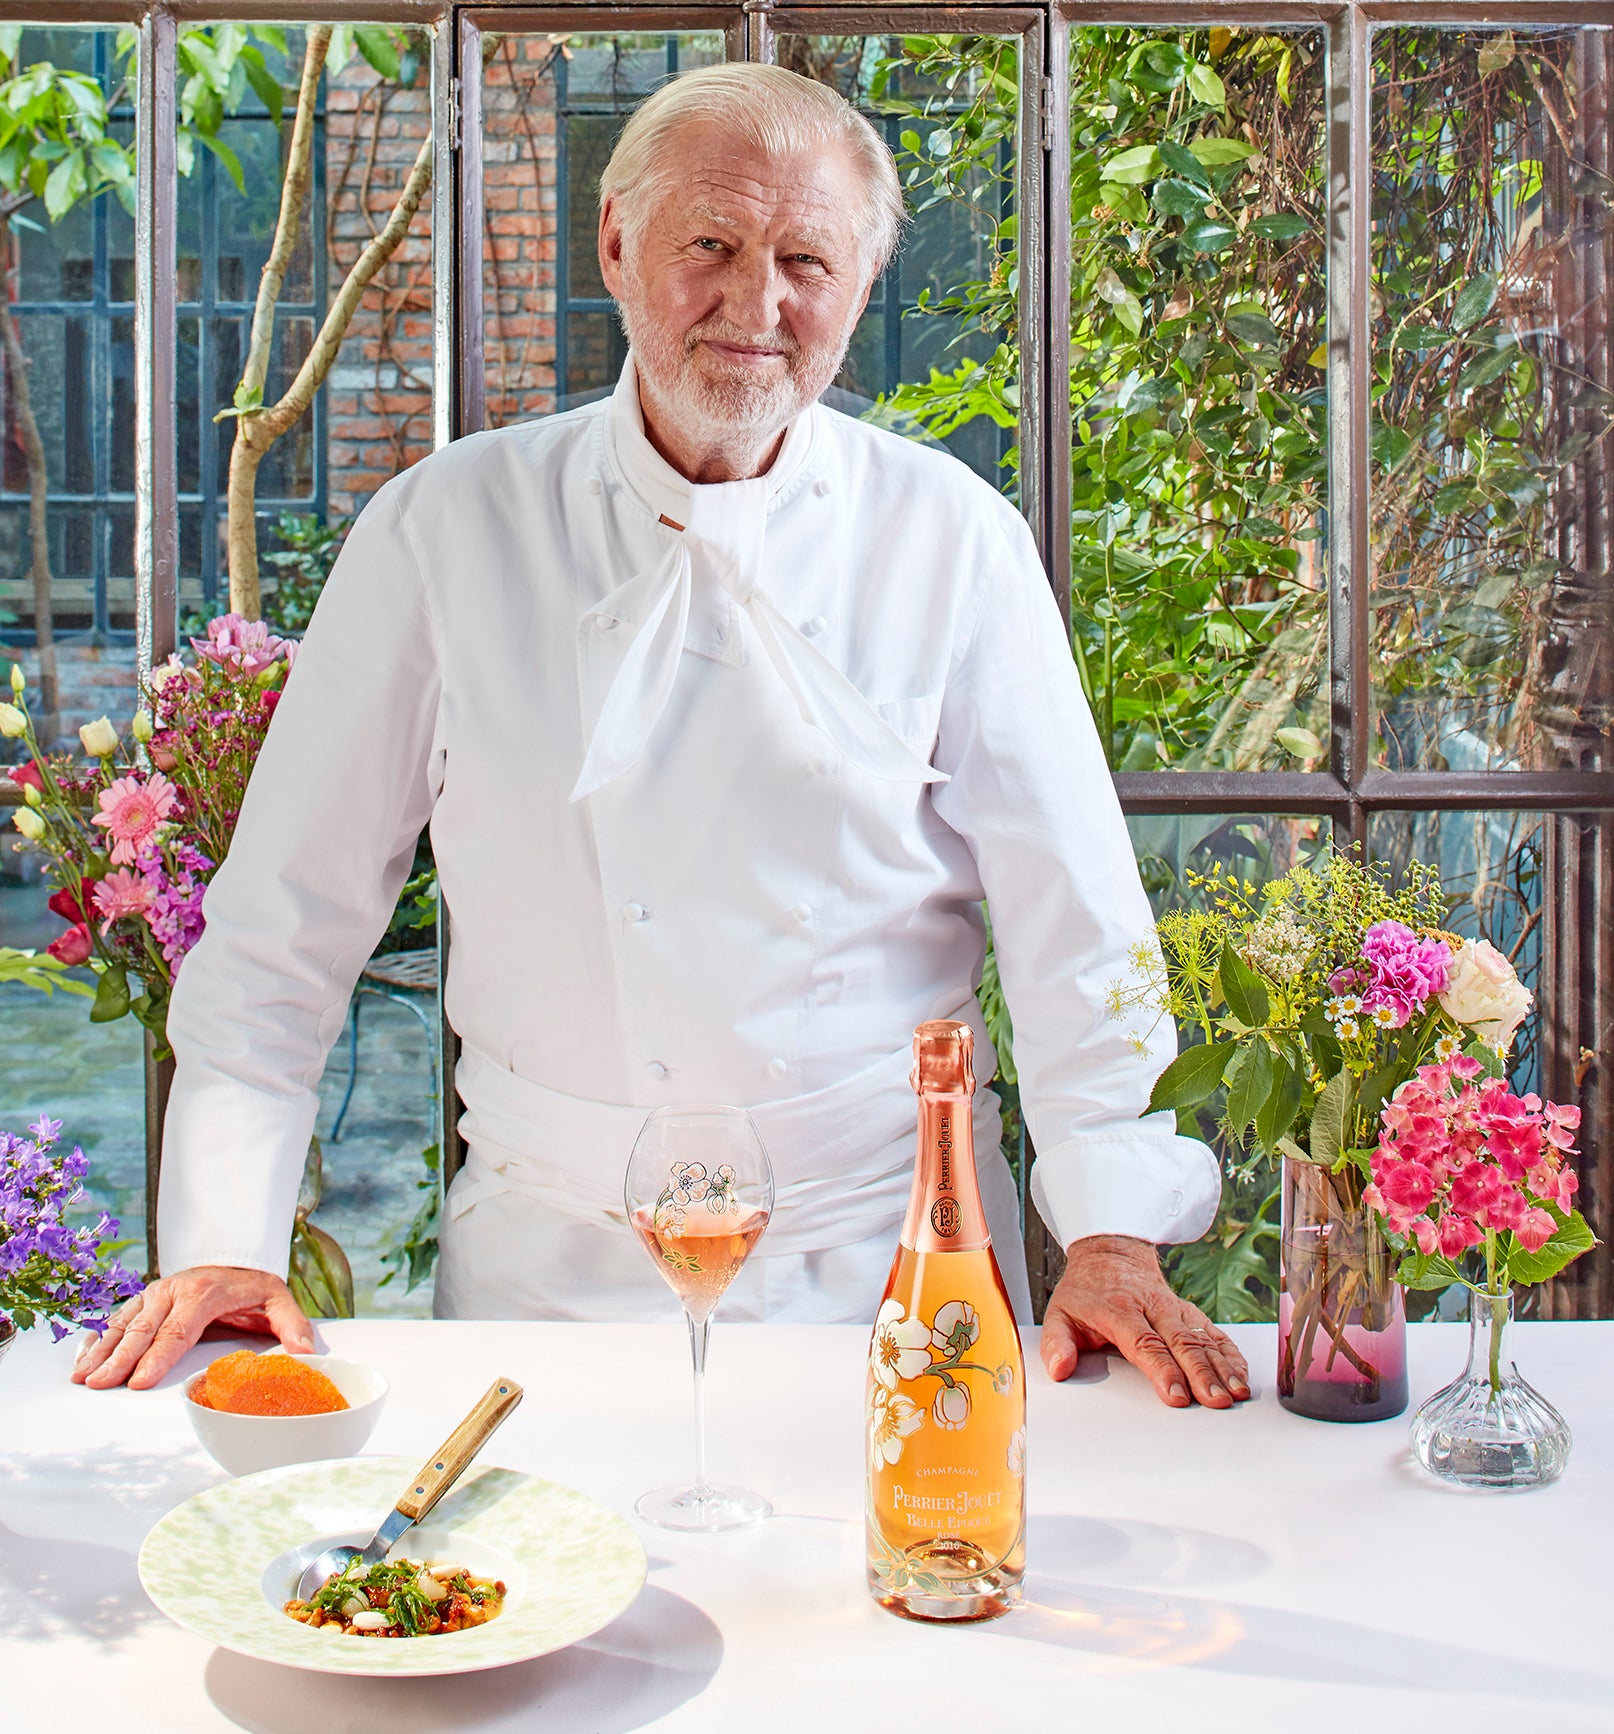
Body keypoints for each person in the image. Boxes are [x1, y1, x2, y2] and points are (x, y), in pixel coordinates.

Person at [76, 64, 1250, 1411]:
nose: (757, 305)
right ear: (617, 245)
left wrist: (1109, 1235)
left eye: (805, 258)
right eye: (712, 245)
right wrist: (227, 1241)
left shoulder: (953, 540)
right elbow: (283, 925)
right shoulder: (444, 531)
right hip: (547, 1273)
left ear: (859, 288)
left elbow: (1077, 934)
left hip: (888, 1258)